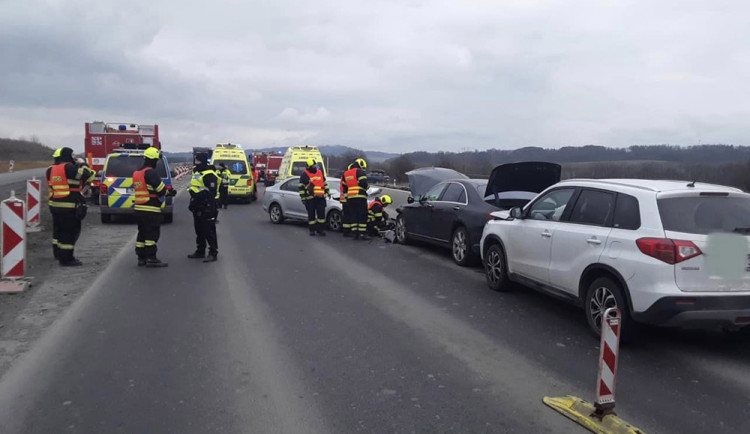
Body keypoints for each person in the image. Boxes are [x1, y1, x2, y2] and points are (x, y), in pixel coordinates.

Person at [45, 147, 95, 266]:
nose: (73, 158)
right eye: (72, 156)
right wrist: (83, 164)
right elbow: (88, 176)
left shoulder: (50, 170)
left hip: (54, 205)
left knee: (58, 231)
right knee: (69, 232)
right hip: (68, 206)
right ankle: (67, 259)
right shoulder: (69, 168)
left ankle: (58, 254)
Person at [133, 147, 175, 267]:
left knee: (142, 234)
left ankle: (141, 257)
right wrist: (170, 192)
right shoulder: (151, 172)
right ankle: (151, 258)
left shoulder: (137, 173)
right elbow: (161, 190)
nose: (156, 163)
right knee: (151, 234)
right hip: (151, 209)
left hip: (139, 208)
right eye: (156, 160)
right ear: (152, 160)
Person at [187, 152, 219, 262]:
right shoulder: (196, 172)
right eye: (196, 160)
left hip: (207, 205)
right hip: (197, 205)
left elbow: (212, 192)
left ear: (203, 161)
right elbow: (195, 187)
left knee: (209, 230)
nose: (196, 162)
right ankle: (200, 251)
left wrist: (209, 207)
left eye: (198, 160)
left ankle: (213, 252)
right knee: (199, 230)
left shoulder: (210, 174)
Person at [299, 158, 329, 236]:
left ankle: (321, 230)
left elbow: (325, 183)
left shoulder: (320, 172)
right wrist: (303, 198)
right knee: (311, 215)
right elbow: (301, 187)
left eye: (315, 165)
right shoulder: (304, 174)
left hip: (320, 197)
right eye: (313, 165)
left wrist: (328, 192)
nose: (315, 167)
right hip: (310, 198)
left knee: (321, 215)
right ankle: (312, 230)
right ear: (309, 166)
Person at [342, 158, 369, 240]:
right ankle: (362, 234)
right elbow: (364, 183)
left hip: (350, 197)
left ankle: (355, 234)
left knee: (353, 215)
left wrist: (346, 198)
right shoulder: (360, 172)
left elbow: (344, 187)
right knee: (362, 215)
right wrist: (367, 187)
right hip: (360, 196)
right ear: (361, 165)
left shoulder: (346, 173)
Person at [340, 164, 352, 237]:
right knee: (347, 216)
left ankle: (346, 230)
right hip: (346, 199)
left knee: (346, 215)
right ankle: (347, 231)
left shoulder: (344, 176)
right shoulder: (347, 176)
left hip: (344, 198)